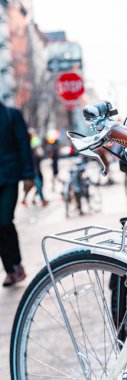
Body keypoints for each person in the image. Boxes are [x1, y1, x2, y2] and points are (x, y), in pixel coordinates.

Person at [0, 101, 34, 286]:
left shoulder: (10, 114)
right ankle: (9, 270)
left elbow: (24, 145)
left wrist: (29, 175)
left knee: (5, 221)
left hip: (9, 178)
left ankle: (16, 266)